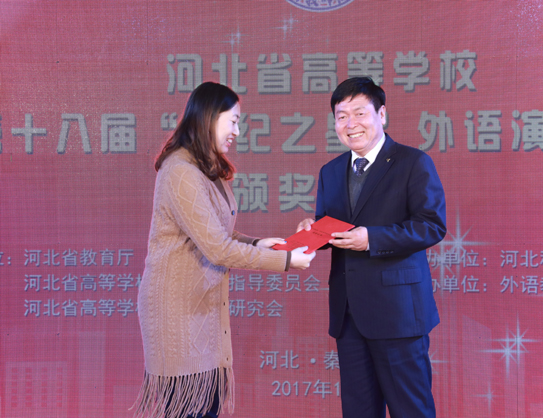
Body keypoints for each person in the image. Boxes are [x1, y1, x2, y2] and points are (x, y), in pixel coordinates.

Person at [132, 82, 315, 418]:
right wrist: (285, 260)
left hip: (199, 305)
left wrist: (257, 243)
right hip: (178, 312)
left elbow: (216, 233)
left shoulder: (204, 167)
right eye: (233, 121)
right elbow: (217, 249)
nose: (237, 131)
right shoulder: (181, 171)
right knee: (190, 408)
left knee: (208, 405)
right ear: (210, 117)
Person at [297, 77, 446, 418]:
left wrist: (372, 239)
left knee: (411, 410)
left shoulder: (412, 162)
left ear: (381, 114)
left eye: (360, 113)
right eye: (341, 116)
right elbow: (331, 225)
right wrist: (313, 230)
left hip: (398, 314)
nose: (351, 124)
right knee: (358, 411)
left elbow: (431, 225)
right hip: (349, 315)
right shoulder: (331, 171)